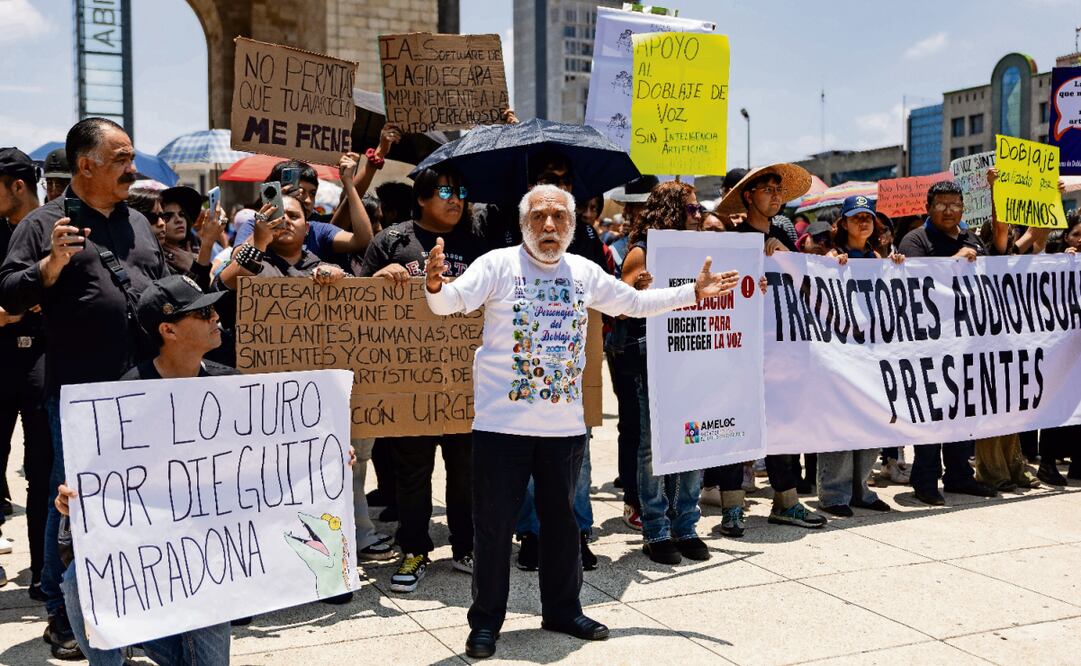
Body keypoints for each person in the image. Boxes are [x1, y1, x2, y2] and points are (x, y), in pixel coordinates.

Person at [425, 183, 739, 658]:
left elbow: (633, 303)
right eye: (538, 217)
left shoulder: (584, 272)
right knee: (493, 528)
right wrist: (434, 285)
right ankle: (485, 622)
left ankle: (563, 610)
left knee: (563, 525)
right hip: (501, 429)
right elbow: (448, 302)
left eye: (558, 217)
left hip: (564, 431)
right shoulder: (497, 265)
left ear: (572, 225)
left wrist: (692, 293)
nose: (549, 225)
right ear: (523, 224)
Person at [0, 117, 167, 660]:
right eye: (121, 159)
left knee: (133, 497)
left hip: (145, 387)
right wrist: (51, 264)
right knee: (73, 502)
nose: (132, 169)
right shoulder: (42, 224)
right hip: (80, 393)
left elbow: (159, 283)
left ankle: (124, 600)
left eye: (132, 157)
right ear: (85, 165)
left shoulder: (138, 222)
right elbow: (9, 291)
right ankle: (60, 610)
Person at [53, 274, 233, 664]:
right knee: (79, 581)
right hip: (145, 547)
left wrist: (326, 462)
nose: (216, 317)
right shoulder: (126, 395)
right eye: (202, 313)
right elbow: (97, 475)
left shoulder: (232, 386)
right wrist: (72, 497)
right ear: (168, 330)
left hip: (209, 550)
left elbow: (270, 462)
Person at [358, 164, 481, 593]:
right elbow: (359, 304)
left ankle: (467, 546)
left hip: (465, 383)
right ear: (422, 199)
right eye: (445, 192)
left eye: (460, 191)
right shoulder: (392, 241)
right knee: (412, 473)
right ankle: (414, 549)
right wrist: (378, 279)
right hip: (410, 382)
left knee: (466, 472)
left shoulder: (478, 240)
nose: (455, 199)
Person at [714, 163, 828, 529]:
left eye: (779, 190)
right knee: (737, 425)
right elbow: (720, 294)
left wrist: (786, 258)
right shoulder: (733, 241)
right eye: (768, 189)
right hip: (740, 350)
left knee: (782, 424)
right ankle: (732, 506)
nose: (776, 196)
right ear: (749, 197)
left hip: (781, 349)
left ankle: (786, 501)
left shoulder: (783, 235)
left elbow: (806, 285)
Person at [620, 181, 713, 562]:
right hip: (653, 356)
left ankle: (686, 524)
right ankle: (656, 530)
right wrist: (637, 289)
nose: (698, 215)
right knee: (653, 446)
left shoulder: (701, 250)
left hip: (694, 354)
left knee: (693, 441)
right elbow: (620, 306)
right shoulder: (642, 251)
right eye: (691, 209)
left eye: (699, 209)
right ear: (670, 210)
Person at [896, 180, 999, 505]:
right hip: (930, 344)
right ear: (928, 207)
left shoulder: (971, 238)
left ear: (963, 208)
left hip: (966, 343)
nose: (949, 210)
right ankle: (925, 479)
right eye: (941, 204)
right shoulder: (915, 240)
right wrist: (956, 260)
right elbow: (915, 281)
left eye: (955, 204)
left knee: (962, 412)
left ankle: (959, 475)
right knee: (933, 413)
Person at [816, 195, 904, 516]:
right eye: (856, 217)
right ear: (843, 224)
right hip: (841, 353)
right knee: (841, 423)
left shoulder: (879, 258)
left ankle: (861, 489)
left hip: (872, 353)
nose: (863, 222)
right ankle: (833, 494)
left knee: (871, 421)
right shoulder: (830, 256)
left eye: (868, 216)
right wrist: (828, 267)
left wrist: (897, 268)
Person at [0, 148, 53, 601]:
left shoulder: (54, 229)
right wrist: (11, 312)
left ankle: (43, 571)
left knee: (42, 471)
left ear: (18, 186)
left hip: (44, 363)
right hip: (1, 361)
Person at [605, 175, 659, 531]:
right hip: (626, 345)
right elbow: (616, 305)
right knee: (633, 424)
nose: (644, 212)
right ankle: (633, 497)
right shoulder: (622, 249)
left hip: (659, 344)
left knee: (651, 425)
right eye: (638, 207)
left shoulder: (668, 245)